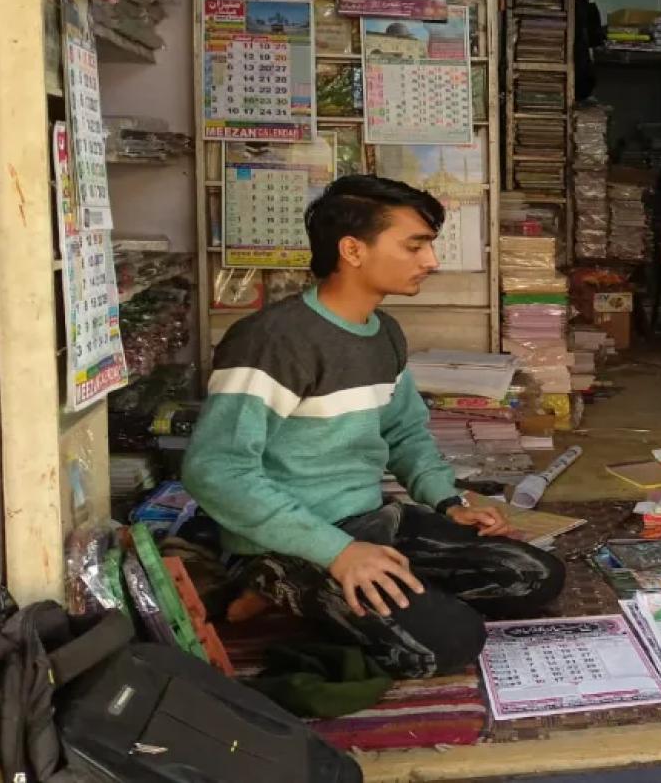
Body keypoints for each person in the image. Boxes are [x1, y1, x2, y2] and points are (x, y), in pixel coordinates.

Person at [182, 176, 565, 679]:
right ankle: (278, 580)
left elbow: (406, 433)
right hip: (295, 537)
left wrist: (449, 503)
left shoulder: (383, 332)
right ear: (352, 250)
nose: (431, 262)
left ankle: (351, 591)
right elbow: (215, 468)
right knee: (450, 642)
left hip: (371, 521)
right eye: (415, 246)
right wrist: (337, 552)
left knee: (534, 577)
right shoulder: (273, 341)